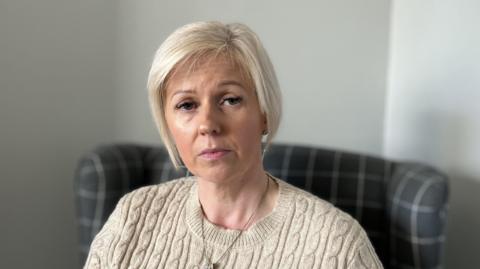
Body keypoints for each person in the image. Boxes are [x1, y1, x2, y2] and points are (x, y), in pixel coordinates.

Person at [84, 21, 383, 269]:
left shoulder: (338, 245)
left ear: (264, 113)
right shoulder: (133, 216)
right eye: (187, 105)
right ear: (168, 124)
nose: (207, 124)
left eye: (230, 99)